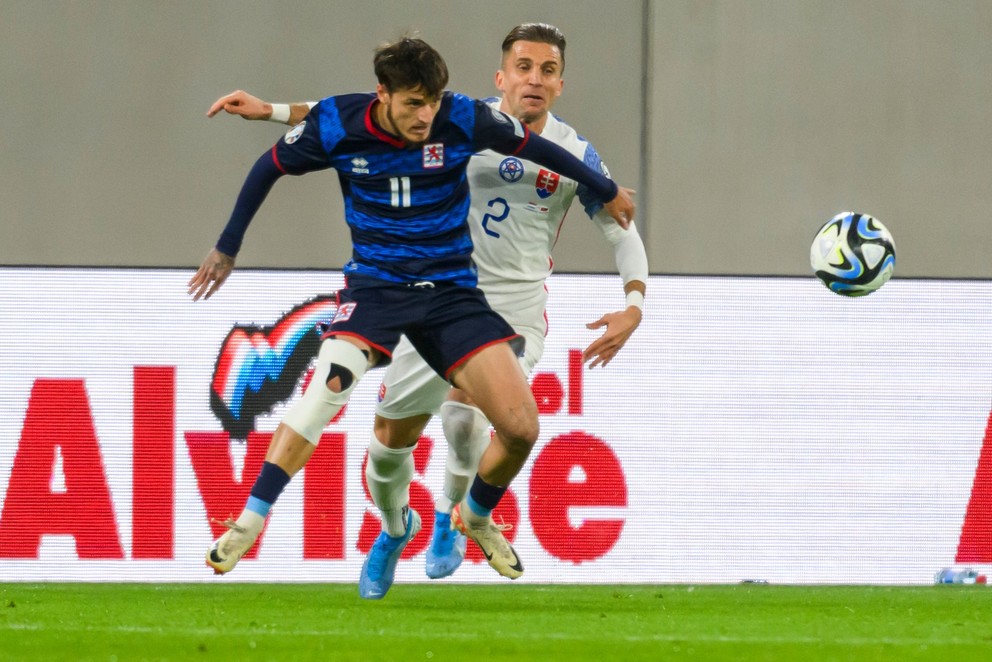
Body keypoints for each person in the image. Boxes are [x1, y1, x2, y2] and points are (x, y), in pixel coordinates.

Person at [211, 24, 648, 599]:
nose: (534, 79)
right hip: (419, 290)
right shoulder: (458, 115)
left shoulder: (571, 151)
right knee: (388, 445)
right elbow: (350, 112)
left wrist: (634, 301)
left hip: (501, 307)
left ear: (560, 84)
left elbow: (622, 228)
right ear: (502, 76)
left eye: (547, 70)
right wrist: (272, 111)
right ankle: (396, 528)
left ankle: (457, 515)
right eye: (524, 67)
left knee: (474, 413)